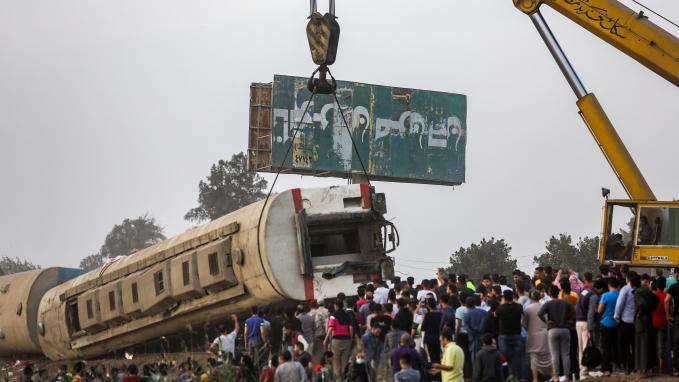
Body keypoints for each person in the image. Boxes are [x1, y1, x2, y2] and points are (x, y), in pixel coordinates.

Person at [539, 285, 575, 382]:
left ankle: (556, 377)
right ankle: (567, 377)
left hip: (552, 330)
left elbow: (539, 313)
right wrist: (569, 321)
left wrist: (546, 322)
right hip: (565, 329)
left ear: (550, 293)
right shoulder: (565, 303)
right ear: (558, 292)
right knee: (566, 355)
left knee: (554, 354)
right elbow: (574, 312)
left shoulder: (548, 303)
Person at [633, 272, 659, 376]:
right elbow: (656, 300)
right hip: (649, 321)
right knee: (649, 345)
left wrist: (639, 313)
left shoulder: (638, 291)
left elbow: (641, 304)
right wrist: (651, 309)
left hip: (641, 322)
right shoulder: (649, 291)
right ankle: (648, 369)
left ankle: (642, 370)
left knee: (641, 345)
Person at [523, 290, 551, 382]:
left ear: (530, 298)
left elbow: (524, 324)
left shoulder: (527, 309)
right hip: (545, 334)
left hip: (532, 335)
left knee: (534, 358)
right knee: (548, 357)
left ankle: (535, 379)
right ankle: (551, 377)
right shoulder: (544, 307)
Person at [495, 290, 523, 379]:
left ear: (504, 298)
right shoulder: (519, 307)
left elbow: (495, 315)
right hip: (517, 334)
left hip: (504, 335)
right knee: (517, 357)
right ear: (513, 297)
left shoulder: (501, 308)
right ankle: (517, 377)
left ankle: (507, 376)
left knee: (505, 358)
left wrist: (502, 303)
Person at [614, 272, 637, 374]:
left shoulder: (625, 289)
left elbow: (619, 304)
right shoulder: (639, 289)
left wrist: (617, 317)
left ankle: (627, 367)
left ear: (627, 279)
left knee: (624, 346)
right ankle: (635, 366)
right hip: (636, 322)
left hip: (625, 322)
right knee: (635, 345)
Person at [324, 299, 353, 379]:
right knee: (345, 362)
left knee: (336, 362)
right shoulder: (347, 315)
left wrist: (326, 339)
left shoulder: (333, 315)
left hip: (336, 340)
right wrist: (351, 339)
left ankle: (338, 379)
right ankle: (345, 378)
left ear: (336, 306)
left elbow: (331, 327)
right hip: (346, 340)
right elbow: (350, 328)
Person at [598, 277, 620, 376]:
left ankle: (606, 369)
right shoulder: (620, 295)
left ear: (609, 285)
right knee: (616, 347)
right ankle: (618, 367)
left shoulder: (605, 295)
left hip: (606, 324)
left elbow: (599, 310)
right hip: (617, 324)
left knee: (606, 347)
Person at [575, 272, 594, 376]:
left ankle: (582, 368)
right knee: (586, 345)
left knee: (580, 346)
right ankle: (585, 368)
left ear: (584, 280)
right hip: (586, 322)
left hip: (578, 321)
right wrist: (591, 327)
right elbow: (591, 311)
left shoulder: (582, 292)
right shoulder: (592, 292)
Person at [463, 296, 488, 369]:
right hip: (483, 337)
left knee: (474, 358)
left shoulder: (466, 314)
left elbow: (466, 327)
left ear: (466, 305)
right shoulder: (483, 312)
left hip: (473, 338)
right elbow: (486, 322)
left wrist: (473, 332)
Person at [422, 297, 443, 363]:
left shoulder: (427, 315)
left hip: (429, 339)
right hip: (438, 338)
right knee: (438, 356)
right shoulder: (440, 314)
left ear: (428, 306)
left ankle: (433, 371)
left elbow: (423, 328)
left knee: (431, 357)